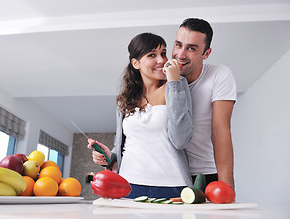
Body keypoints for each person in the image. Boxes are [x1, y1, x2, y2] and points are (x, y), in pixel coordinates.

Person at [89, 32, 193, 199]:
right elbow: (125, 143)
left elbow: (181, 140)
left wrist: (174, 83)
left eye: (163, 53)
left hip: (173, 185)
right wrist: (110, 155)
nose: (162, 60)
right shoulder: (124, 100)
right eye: (152, 55)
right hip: (128, 184)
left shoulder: (177, 86)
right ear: (135, 63)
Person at [172, 18, 237, 188]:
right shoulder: (161, 74)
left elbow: (220, 131)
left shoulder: (219, 75)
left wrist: (226, 187)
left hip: (205, 173)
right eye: (178, 45)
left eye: (191, 48)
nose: (181, 54)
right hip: (170, 173)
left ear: (206, 53)